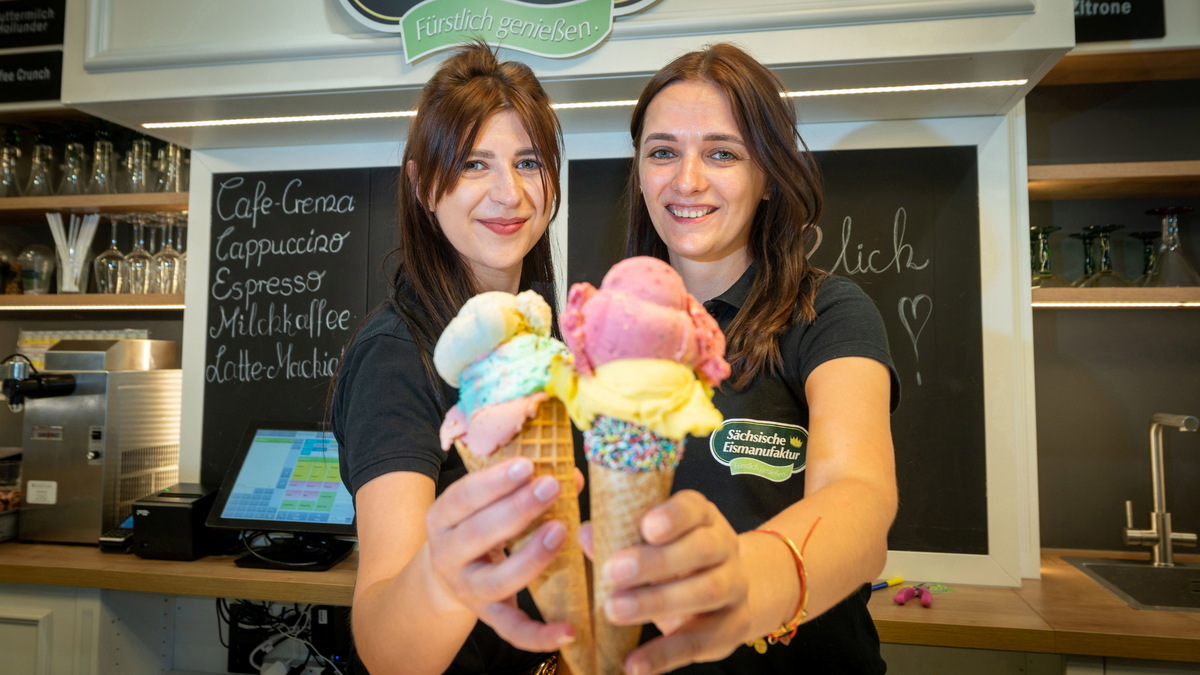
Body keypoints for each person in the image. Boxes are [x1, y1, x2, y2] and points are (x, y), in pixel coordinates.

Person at [605, 43, 900, 674]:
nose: (687, 180)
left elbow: (859, 494)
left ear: (768, 177)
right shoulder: (611, 328)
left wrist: (750, 579)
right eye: (663, 152)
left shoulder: (827, 313)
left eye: (722, 153)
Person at [331, 42, 577, 674]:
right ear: (422, 186)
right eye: (473, 164)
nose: (510, 192)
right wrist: (452, 571)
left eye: (529, 161)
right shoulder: (396, 356)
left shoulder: (542, 340)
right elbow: (389, 646)